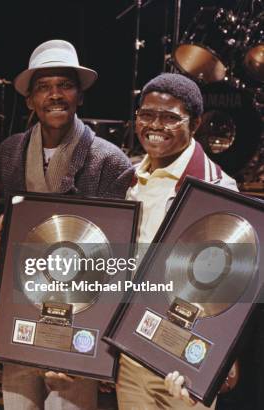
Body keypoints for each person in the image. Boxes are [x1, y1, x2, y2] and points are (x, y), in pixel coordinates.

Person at [0, 39, 134, 410]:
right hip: (19, 311)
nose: (55, 95)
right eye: (43, 87)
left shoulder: (110, 162)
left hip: (78, 317)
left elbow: (113, 260)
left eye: (65, 85)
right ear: (29, 100)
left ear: (80, 96)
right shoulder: (7, 154)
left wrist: (88, 345)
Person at [118, 72, 238, 410]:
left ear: (195, 123)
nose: (155, 125)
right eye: (146, 114)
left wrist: (221, 358)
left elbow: (230, 283)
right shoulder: (129, 179)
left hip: (185, 357)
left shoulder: (218, 188)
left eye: (170, 117)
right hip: (132, 353)